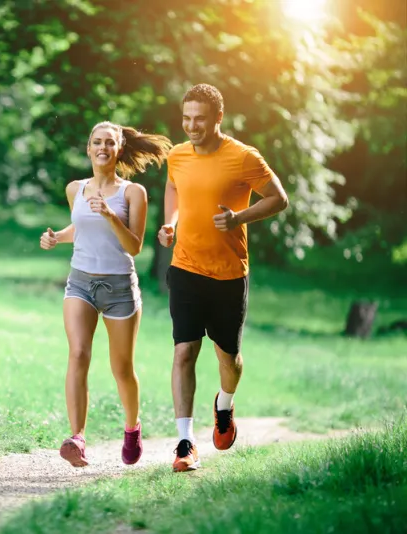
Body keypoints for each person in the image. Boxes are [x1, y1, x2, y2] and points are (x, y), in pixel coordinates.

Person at [159, 84, 289, 472]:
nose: (191, 126)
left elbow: (279, 199)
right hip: (185, 267)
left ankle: (225, 405)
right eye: (186, 118)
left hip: (229, 274)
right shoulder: (177, 155)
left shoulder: (243, 157)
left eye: (199, 119)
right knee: (184, 351)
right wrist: (170, 222)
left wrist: (237, 218)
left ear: (218, 118)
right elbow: (173, 187)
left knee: (228, 358)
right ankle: (184, 442)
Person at [40, 120, 172, 467]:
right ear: (88, 148)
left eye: (109, 143)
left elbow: (135, 246)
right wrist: (57, 237)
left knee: (122, 368)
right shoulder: (75, 189)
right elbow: (81, 228)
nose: (102, 147)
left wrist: (113, 215)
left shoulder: (133, 193)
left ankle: (132, 428)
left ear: (119, 149)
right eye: (96, 142)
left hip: (119, 289)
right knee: (79, 353)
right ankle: (77, 438)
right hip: (80, 281)